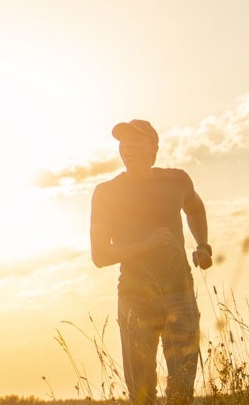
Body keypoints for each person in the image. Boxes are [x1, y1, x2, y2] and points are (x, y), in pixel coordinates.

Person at [89, 119, 212, 405]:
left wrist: (202, 245)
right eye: (123, 142)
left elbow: (195, 208)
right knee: (142, 396)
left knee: (182, 393)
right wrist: (147, 245)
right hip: (135, 300)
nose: (127, 147)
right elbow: (99, 255)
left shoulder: (177, 180)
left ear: (153, 147)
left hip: (180, 295)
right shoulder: (107, 193)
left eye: (135, 140)